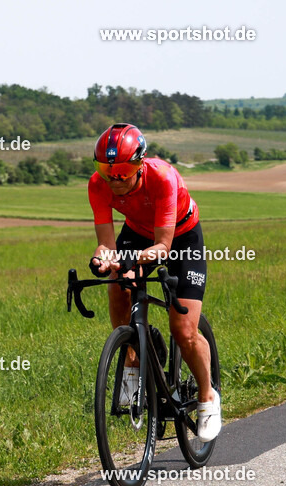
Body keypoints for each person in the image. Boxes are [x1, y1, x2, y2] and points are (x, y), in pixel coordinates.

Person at [87, 123, 221, 441]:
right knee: (118, 281)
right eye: (106, 168)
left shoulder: (161, 177)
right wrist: (103, 259)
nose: (114, 177)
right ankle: (134, 357)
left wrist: (129, 261)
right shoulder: (98, 185)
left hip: (181, 237)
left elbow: (163, 247)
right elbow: (107, 244)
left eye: (122, 168)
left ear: (140, 162)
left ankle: (207, 397)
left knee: (184, 330)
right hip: (137, 233)